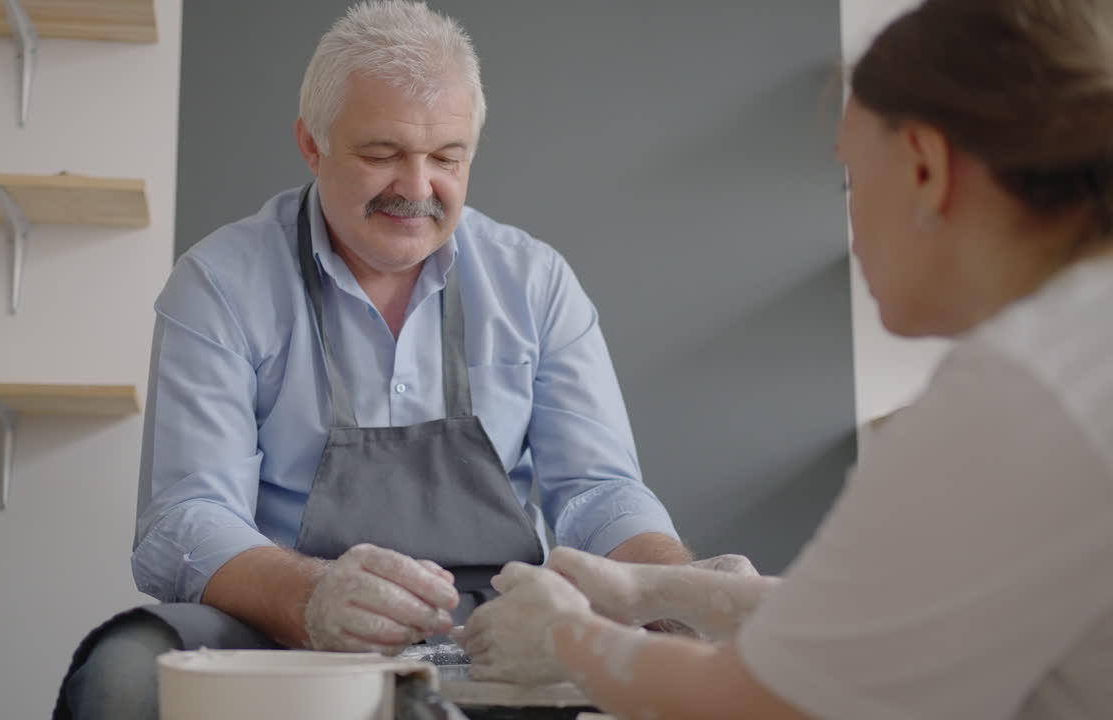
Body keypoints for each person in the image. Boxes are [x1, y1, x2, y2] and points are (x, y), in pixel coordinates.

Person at [52, 2, 727, 718]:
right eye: (382, 155)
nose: (416, 187)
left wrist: (675, 592)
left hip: (490, 634)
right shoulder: (221, 283)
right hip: (280, 633)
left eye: (446, 158)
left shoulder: (534, 282)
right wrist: (309, 598)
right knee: (124, 673)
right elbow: (184, 516)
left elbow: (597, 492)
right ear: (311, 145)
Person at [458, 0, 1113, 718]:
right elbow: (877, 626)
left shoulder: (1014, 394)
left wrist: (565, 638)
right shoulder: (1076, 343)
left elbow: (759, 704)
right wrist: (658, 590)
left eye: (851, 182)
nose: (853, 226)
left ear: (925, 168)